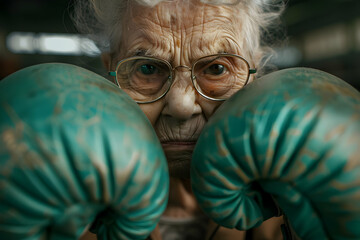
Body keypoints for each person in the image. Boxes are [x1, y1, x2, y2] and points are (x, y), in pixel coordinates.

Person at [73, 0, 285, 239]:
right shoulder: (72, 206)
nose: (182, 107)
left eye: (216, 69)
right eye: (147, 69)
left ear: (252, 76)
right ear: (111, 73)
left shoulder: (288, 207)